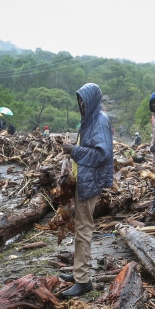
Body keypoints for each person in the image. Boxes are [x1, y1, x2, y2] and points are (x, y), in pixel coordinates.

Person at [57, 83, 115, 298]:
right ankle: (77, 272)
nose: (81, 104)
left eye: (83, 100)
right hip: (82, 179)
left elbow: (102, 155)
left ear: (91, 101)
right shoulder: (89, 119)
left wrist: (75, 151)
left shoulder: (100, 121)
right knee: (80, 227)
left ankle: (83, 280)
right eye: (79, 100)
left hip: (90, 182)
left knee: (83, 229)